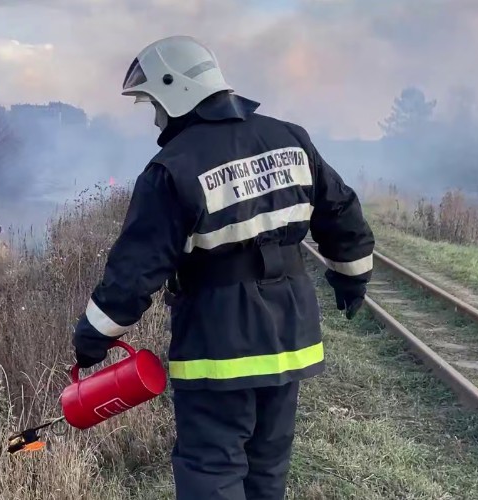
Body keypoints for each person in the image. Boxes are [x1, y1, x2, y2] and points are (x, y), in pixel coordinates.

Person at [71, 35, 375, 500]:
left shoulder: (172, 168)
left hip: (217, 346)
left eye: (155, 102)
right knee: (267, 470)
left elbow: (135, 269)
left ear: (176, 90)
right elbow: (342, 212)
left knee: (210, 470)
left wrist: (93, 338)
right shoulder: (290, 139)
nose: (156, 116)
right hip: (289, 340)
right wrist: (352, 278)